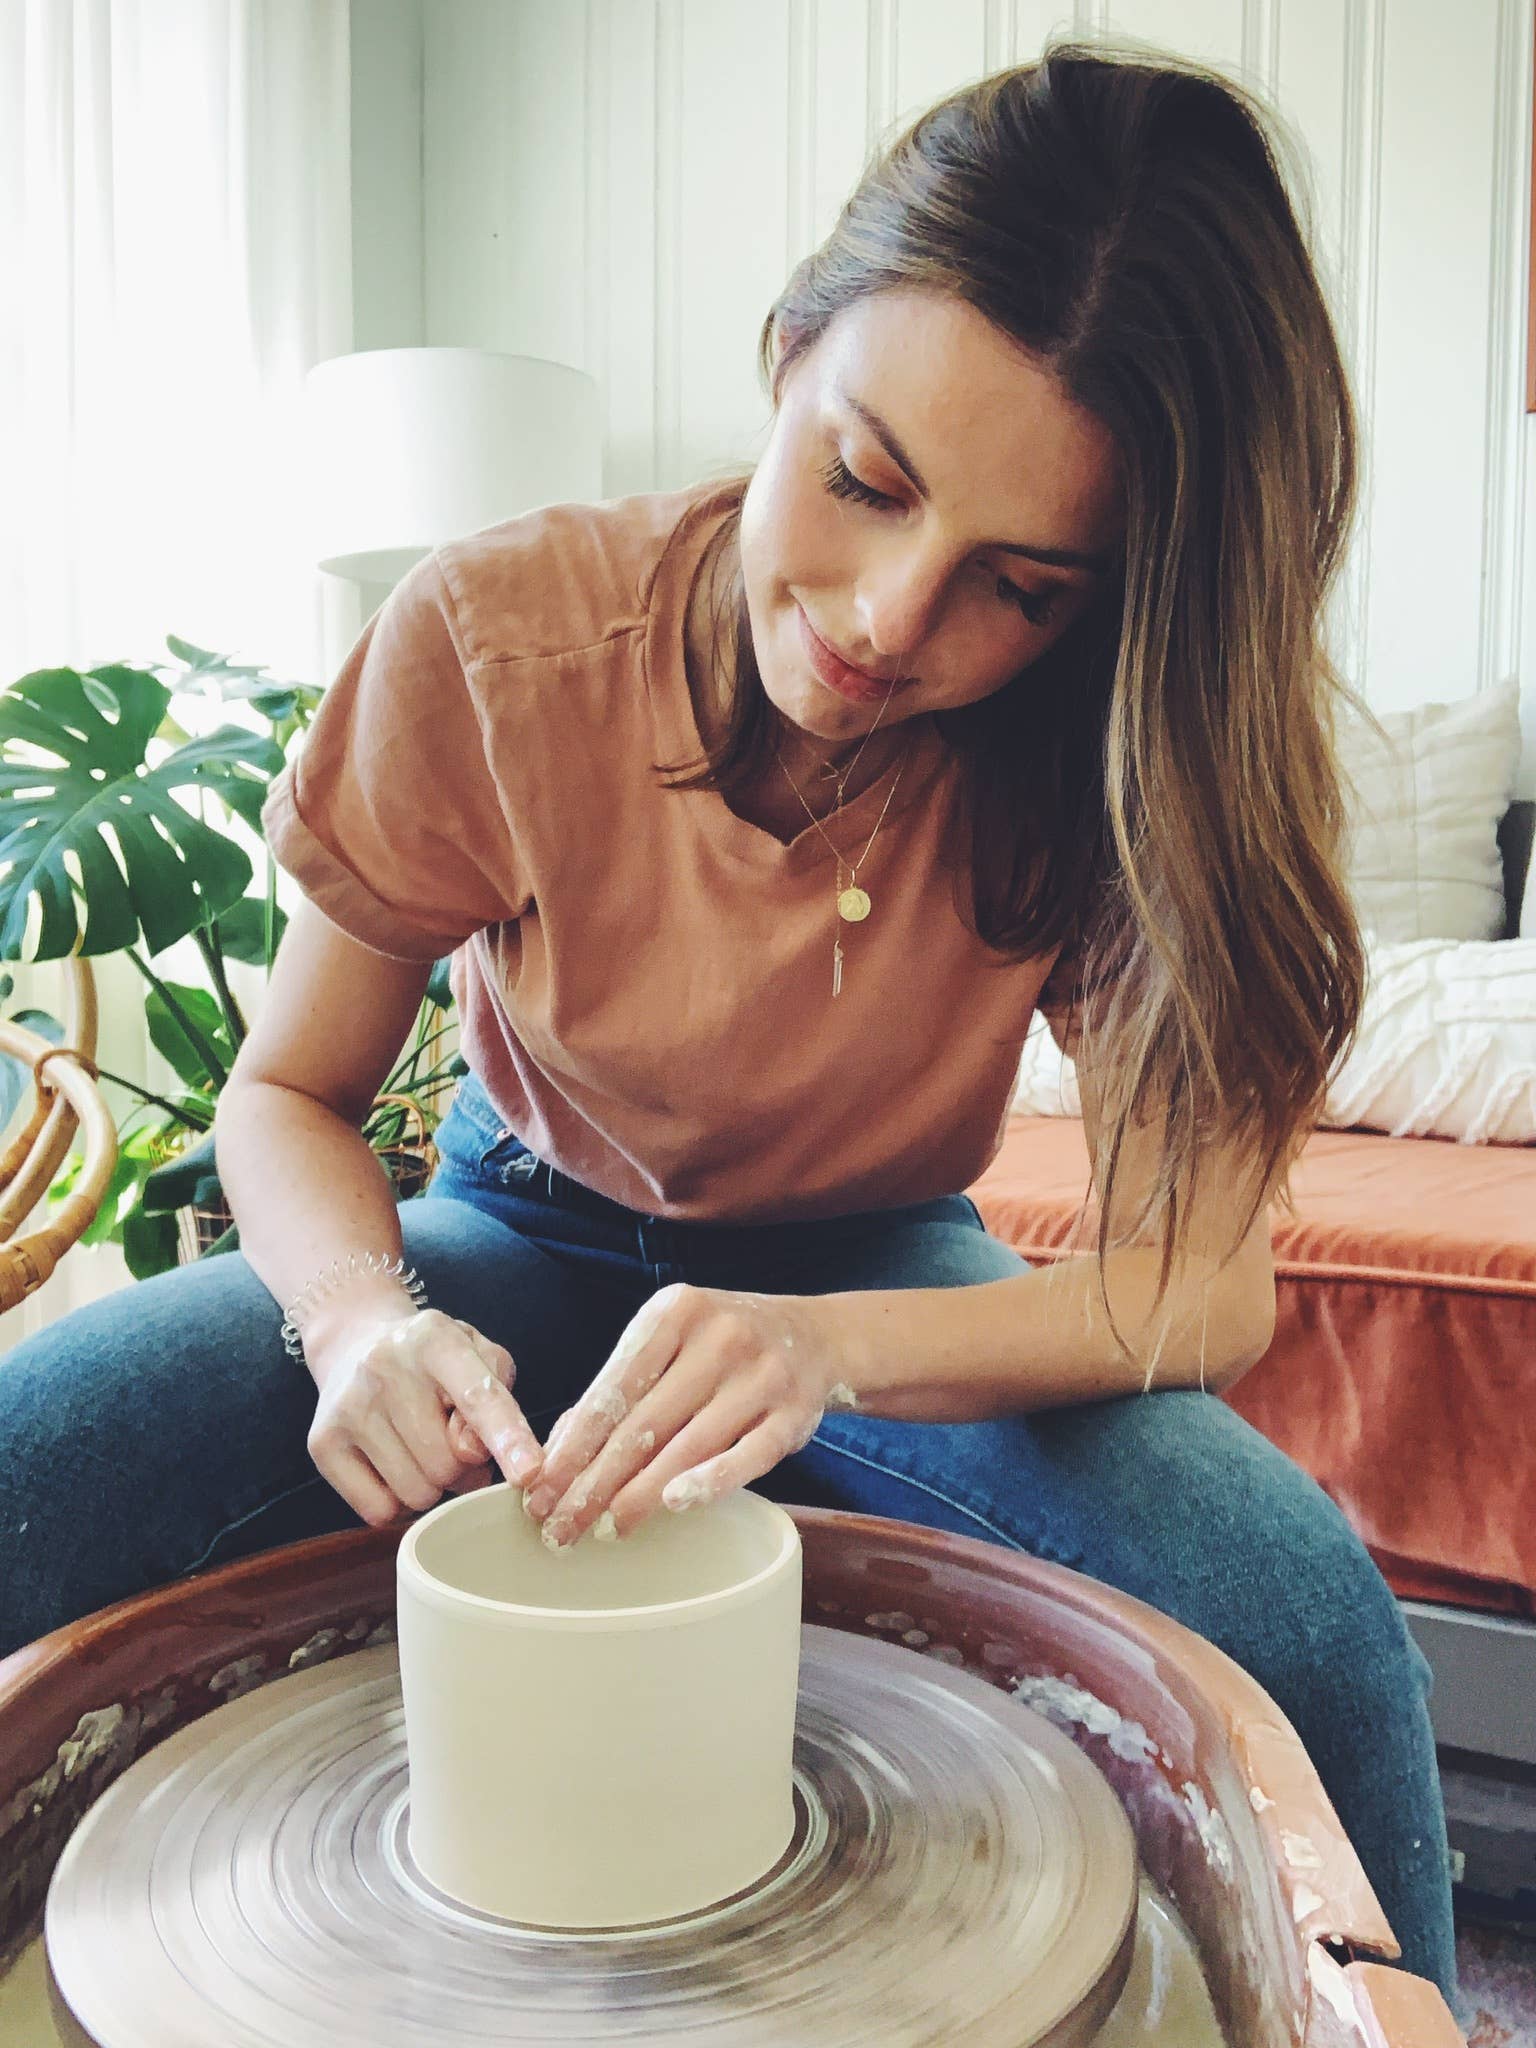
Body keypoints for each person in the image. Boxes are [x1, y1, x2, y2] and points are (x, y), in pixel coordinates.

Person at [1, 38, 1457, 2008]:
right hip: (507, 1239)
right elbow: (284, 1093)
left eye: (1017, 587)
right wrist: (359, 1323)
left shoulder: (1093, 750)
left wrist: (825, 1343)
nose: (885, 617)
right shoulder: (495, 643)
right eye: (865, 478)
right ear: (787, 349)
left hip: (868, 1275)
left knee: (1308, 1613)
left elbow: (1197, 1286)